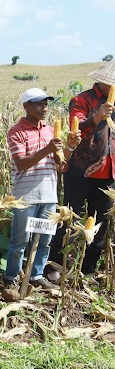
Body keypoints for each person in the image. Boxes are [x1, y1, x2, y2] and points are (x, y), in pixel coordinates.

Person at [3, 88, 80, 292]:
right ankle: (11, 277)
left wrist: (70, 148)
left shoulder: (49, 129)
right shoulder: (16, 131)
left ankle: (36, 274)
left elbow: (60, 164)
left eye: (46, 104)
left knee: (45, 239)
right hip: (25, 195)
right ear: (26, 106)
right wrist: (48, 148)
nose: (44, 108)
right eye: (38, 104)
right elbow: (21, 164)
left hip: (49, 193)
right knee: (20, 240)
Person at [46, 62, 115, 282]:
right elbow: (76, 129)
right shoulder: (81, 100)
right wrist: (98, 116)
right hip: (80, 172)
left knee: (99, 225)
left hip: (109, 175)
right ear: (102, 81)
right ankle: (54, 265)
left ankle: (88, 269)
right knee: (67, 218)